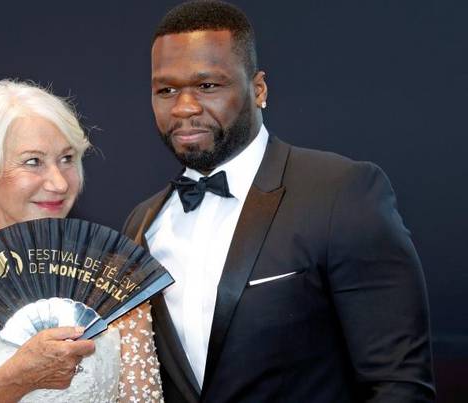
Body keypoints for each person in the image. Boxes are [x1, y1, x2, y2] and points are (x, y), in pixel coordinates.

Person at [122, 1, 435, 402]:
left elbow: (399, 384)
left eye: (207, 86)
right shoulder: (142, 224)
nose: (184, 107)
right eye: (166, 90)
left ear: (259, 89)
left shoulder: (341, 192)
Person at [0, 80, 163, 402]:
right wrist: (16, 379)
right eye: (33, 162)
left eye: (67, 159)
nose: (59, 183)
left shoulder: (115, 287)